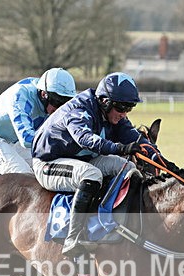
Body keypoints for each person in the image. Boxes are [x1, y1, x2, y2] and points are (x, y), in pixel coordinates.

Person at [31, 72, 149, 258]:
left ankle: (113, 224)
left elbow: (140, 142)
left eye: (129, 108)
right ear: (104, 101)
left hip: (82, 160)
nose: (124, 113)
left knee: (128, 168)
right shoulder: (79, 109)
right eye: (121, 107)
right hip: (48, 163)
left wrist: (162, 160)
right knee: (91, 175)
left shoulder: (114, 116)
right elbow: (85, 139)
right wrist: (120, 147)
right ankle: (73, 237)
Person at [0, 67, 77, 178]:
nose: (60, 109)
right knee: (25, 177)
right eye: (57, 102)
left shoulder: (48, 96)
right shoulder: (20, 96)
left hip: (15, 141)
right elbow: (26, 139)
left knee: (48, 168)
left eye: (65, 103)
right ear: (43, 94)